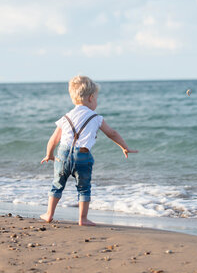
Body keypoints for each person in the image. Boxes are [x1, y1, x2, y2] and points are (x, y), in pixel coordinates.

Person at [40, 75, 138, 226]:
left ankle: (49, 214)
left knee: (57, 184)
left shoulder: (66, 117)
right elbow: (112, 133)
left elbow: (54, 139)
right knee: (84, 188)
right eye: (97, 98)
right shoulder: (96, 117)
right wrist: (124, 147)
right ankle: (83, 219)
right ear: (91, 98)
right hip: (83, 155)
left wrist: (49, 154)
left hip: (63, 155)